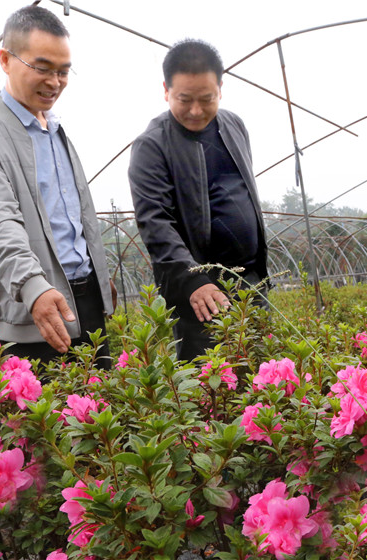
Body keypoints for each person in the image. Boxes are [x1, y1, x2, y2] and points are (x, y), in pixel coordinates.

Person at [0, 5, 114, 368]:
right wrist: (33, 286)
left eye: (63, 71)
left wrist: (98, 277)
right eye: (42, 68)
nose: (54, 82)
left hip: (86, 298)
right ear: (5, 60)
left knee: (104, 416)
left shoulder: (56, 129)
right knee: (46, 419)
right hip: (35, 307)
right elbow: (0, 222)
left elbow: (76, 216)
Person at [129, 39, 269, 362]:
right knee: (214, 387)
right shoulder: (152, 146)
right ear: (166, 90)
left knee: (265, 378)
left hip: (250, 281)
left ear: (220, 88)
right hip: (201, 292)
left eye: (206, 99)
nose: (196, 110)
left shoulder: (234, 125)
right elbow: (156, 224)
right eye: (184, 99)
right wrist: (194, 280)